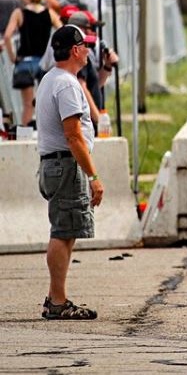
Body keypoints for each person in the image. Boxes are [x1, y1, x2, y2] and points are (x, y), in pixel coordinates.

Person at [35, 24, 104, 320]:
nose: (88, 51)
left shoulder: (52, 78)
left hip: (54, 164)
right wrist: (94, 177)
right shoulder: (65, 85)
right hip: (65, 165)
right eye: (85, 46)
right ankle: (58, 302)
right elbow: (73, 136)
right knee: (63, 232)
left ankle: (56, 296)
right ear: (75, 50)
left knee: (66, 230)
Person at [4, 0, 60, 126]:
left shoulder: (19, 13)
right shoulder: (49, 13)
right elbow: (62, 31)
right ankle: (47, 130)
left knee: (28, 104)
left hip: (25, 61)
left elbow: (7, 36)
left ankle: (25, 133)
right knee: (46, 103)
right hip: (44, 63)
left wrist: (13, 57)